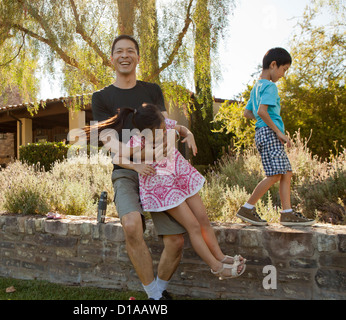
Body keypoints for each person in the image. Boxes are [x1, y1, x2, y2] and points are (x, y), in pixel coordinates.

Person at [86, 103, 246, 283]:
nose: (164, 132)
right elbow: (118, 158)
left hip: (180, 176)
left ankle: (220, 256)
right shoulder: (138, 140)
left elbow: (181, 128)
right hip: (162, 187)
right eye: (159, 131)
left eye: (163, 128)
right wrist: (137, 165)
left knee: (203, 219)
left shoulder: (164, 124)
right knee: (193, 226)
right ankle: (216, 268)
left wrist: (190, 135)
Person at [91, 35, 189, 300]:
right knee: (132, 225)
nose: (125, 55)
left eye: (130, 51)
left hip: (159, 170)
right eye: (119, 52)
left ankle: (159, 290)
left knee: (176, 240)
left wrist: (161, 146)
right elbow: (110, 142)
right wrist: (139, 155)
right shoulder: (101, 97)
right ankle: (155, 296)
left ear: (137, 57)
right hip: (125, 170)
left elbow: (167, 131)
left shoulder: (152, 90)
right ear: (111, 59)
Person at [236, 47, 314, 226]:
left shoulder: (257, 87)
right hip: (270, 133)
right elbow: (262, 111)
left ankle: (287, 213)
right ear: (273, 65)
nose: (283, 75)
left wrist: (263, 121)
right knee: (275, 174)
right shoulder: (270, 86)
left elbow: (248, 113)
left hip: (263, 133)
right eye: (284, 69)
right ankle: (247, 208)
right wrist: (278, 131)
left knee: (286, 172)